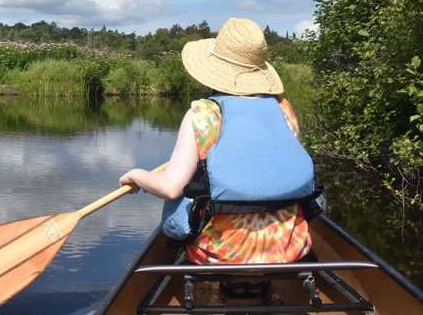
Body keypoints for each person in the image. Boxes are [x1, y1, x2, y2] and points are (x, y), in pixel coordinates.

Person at [119, 17, 317, 264]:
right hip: (289, 247)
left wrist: (137, 175)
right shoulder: (285, 110)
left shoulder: (201, 115)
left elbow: (170, 188)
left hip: (218, 252)